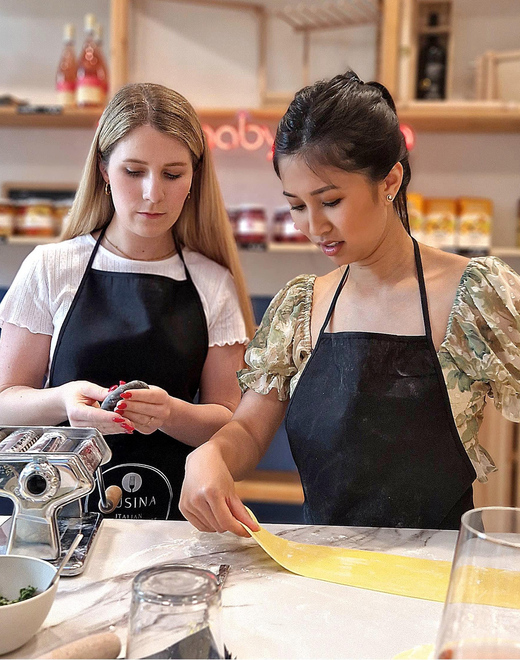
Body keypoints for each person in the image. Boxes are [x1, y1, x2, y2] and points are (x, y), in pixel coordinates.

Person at [179, 71, 520, 535]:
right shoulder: (302, 308)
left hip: (434, 579)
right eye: (297, 206)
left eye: (331, 200)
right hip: (324, 573)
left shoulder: (472, 296)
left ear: (389, 181)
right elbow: (249, 431)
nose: (313, 226)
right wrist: (212, 454)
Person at [0, 83, 256, 520]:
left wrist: (172, 413)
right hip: (59, 519)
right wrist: (62, 401)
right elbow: (5, 402)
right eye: (133, 171)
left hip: (176, 522)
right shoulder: (51, 267)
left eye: (172, 174)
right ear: (103, 168)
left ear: (194, 176)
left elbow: (234, 423)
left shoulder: (213, 283)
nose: (152, 193)